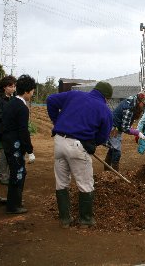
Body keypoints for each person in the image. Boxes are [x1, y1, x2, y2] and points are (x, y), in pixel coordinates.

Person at [46, 81, 113, 228]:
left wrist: (57, 122)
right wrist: (93, 143)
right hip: (78, 146)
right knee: (85, 184)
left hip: (59, 141)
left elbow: (50, 99)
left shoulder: (74, 95)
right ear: (106, 97)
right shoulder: (105, 110)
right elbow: (103, 136)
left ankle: (65, 219)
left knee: (62, 182)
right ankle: (85, 219)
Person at [2, 74, 36, 214]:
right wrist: (30, 150)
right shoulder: (22, 108)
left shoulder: (11, 103)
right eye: (33, 91)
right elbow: (23, 131)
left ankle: (14, 202)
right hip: (15, 144)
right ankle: (14, 206)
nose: (33, 93)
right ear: (27, 91)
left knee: (16, 172)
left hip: (8, 143)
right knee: (18, 173)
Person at [105, 91, 145, 171]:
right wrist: (137, 132)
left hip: (116, 126)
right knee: (116, 151)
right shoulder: (129, 108)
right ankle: (115, 173)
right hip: (113, 128)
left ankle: (106, 171)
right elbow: (125, 128)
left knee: (113, 149)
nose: (144, 107)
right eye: (144, 105)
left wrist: (133, 129)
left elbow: (126, 123)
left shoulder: (133, 100)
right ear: (139, 101)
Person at [0, 75, 17, 185]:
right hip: (1, 132)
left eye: (14, 86)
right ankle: (2, 176)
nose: (13, 88)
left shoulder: (14, 98)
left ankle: (9, 175)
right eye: (11, 86)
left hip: (11, 132)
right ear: (4, 87)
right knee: (4, 155)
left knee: (11, 154)